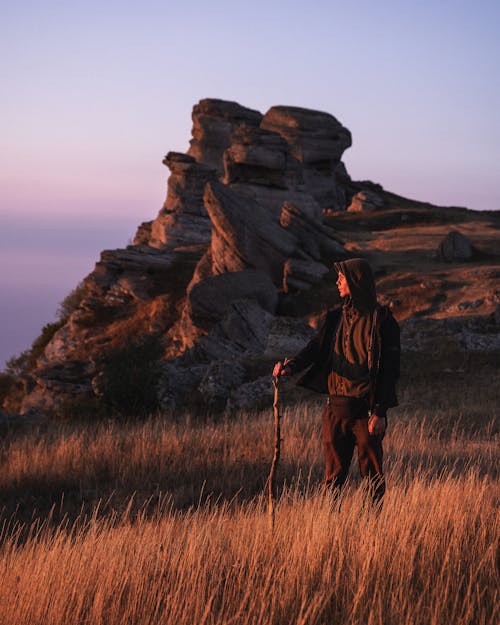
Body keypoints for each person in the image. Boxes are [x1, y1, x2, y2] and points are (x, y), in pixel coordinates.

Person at [273, 258, 400, 504]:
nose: (337, 282)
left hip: (366, 412)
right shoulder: (335, 318)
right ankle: (332, 525)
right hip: (335, 408)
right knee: (333, 477)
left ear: (355, 281)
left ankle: (371, 527)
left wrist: (381, 411)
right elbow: (315, 348)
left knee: (372, 474)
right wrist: (291, 367)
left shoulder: (382, 320)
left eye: (342, 278)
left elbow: (390, 370)